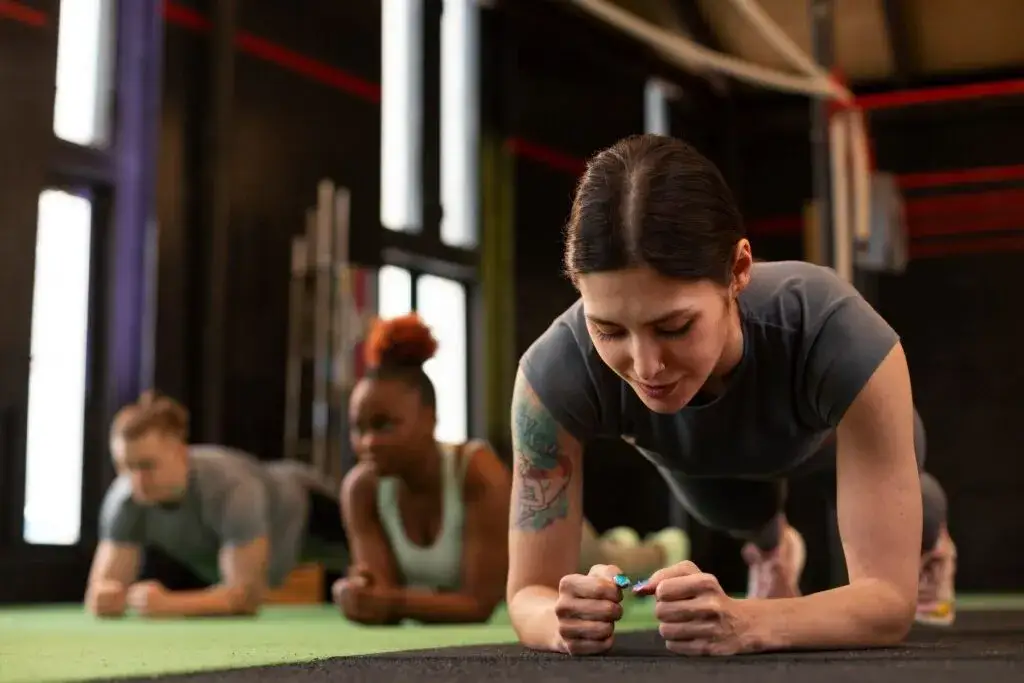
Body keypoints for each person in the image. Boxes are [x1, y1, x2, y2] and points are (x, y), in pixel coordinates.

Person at [506, 133, 956, 657]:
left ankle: (934, 544)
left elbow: (885, 605)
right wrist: (559, 621)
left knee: (912, 500)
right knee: (728, 507)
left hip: (827, 440)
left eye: (674, 327)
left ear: (739, 271)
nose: (646, 366)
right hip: (704, 457)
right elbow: (527, 595)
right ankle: (772, 551)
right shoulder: (553, 373)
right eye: (608, 330)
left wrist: (748, 621)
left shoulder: (838, 331)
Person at [333, 313, 688, 625]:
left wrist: (387, 603)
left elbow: (476, 604)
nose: (367, 443)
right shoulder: (360, 490)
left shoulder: (474, 470)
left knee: (616, 566)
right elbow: (380, 593)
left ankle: (659, 549)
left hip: (561, 536)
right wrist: (359, 594)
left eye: (384, 425)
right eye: (357, 428)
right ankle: (621, 539)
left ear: (429, 419)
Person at [85, 391, 349, 618]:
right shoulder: (124, 499)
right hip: (262, 536)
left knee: (377, 562)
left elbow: (246, 597)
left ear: (179, 452)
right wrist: (107, 598)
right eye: (125, 467)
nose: (136, 480)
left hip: (303, 507)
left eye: (147, 466)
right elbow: (100, 590)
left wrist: (169, 605)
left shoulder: (230, 487)